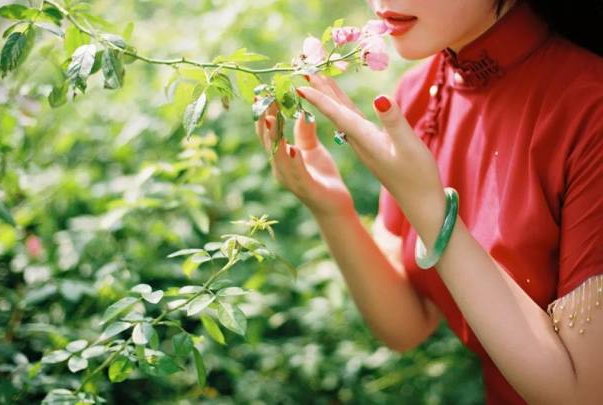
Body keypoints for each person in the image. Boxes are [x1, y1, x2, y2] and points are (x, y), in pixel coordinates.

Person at [254, 0, 603, 403]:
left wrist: (431, 209)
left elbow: (583, 395)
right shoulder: (420, 91)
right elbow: (407, 324)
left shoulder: (590, 109)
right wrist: (333, 210)